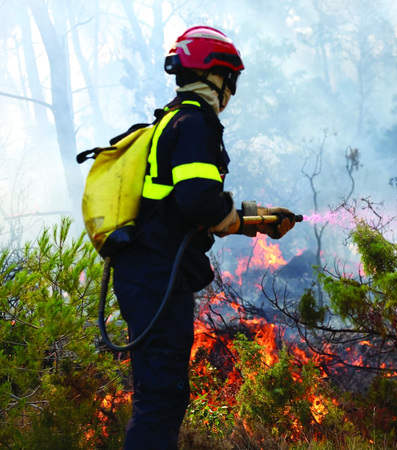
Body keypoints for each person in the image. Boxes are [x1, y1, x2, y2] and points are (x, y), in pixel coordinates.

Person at [111, 26, 296, 449]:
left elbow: (188, 204)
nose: (232, 88)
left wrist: (259, 220)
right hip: (157, 278)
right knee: (161, 400)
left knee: (158, 397)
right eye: (231, 78)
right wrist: (240, 220)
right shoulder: (196, 122)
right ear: (217, 75)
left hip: (149, 275)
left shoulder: (173, 119)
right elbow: (199, 202)